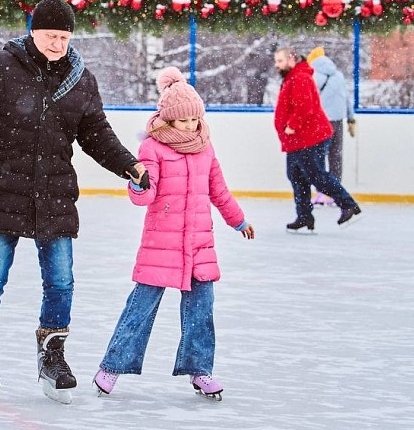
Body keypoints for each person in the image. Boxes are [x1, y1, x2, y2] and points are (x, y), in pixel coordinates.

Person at [0, 0, 147, 404]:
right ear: (33, 32)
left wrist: (129, 166)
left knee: (61, 282)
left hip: (54, 194)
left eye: (64, 37)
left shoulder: (79, 78)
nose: (58, 44)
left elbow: (96, 135)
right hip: (1, 190)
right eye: (51, 36)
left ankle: (53, 355)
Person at [92, 67, 255, 401]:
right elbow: (145, 195)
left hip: (198, 245)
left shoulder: (205, 149)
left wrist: (238, 221)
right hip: (161, 244)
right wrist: (137, 183)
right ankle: (111, 367)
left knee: (201, 313)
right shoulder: (152, 149)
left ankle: (200, 371)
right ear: (167, 120)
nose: (191, 126)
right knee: (140, 310)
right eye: (183, 121)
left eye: (196, 120)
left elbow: (219, 191)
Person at [273, 47, 361, 232]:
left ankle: (348, 204)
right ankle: (304, 216)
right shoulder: (293, 77)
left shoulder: (300, 78)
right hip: (298, 140)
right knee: (296, 176)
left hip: (309, 137)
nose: (277, 65)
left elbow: (305, 107)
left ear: (291, 59)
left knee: (316, 175)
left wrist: (292, 125)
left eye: (280, 61)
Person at [306, 47, 356, 206]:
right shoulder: (338, 75)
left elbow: (308, 101)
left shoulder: (313, 76)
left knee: (318, 158)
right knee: (336, 157)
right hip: (338, 121)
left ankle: (322, 192)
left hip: (320, 122)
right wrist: (351, 118)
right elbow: (346, 98)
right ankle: (335, 193)